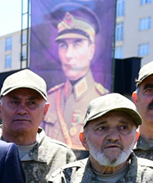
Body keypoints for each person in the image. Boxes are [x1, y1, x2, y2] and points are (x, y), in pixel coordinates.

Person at [42, 4, 109, 151]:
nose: (68, 55)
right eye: (63, 46)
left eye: (77, 44)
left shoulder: (104, 100)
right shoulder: (50, 98)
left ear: (91, 50)